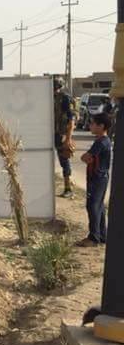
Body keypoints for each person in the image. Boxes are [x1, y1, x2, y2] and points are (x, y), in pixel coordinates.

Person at [79, 113, 112, 247]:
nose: (90, 126)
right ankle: (102, 235)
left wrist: (87, 158)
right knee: (99, 207)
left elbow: (85, 157)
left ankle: (93, 237)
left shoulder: (101, 142)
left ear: (101, 126)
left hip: (97, 178)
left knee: (93, 206)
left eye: (93, 123)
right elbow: (88, 158)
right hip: (99, 178)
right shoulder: (102, 141)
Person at [53, 77, 77, 198]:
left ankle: (68, 188)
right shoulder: (46, 97)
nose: (55, 90)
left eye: (56, 87)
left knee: (64, 160)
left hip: (61, 134)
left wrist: (68, 138)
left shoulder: (65, 98)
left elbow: (71, 120)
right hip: (48, 133)